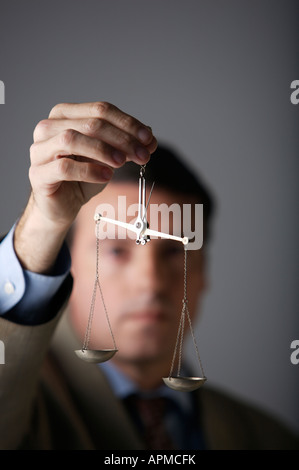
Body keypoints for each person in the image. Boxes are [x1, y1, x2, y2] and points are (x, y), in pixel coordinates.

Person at [0, 102, 298, 450]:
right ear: (68, 263)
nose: (151, 282)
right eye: (116, 250)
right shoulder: (25, 402)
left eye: (174, 251)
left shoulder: (266, 437)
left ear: (203, 273)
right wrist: (43, 227)